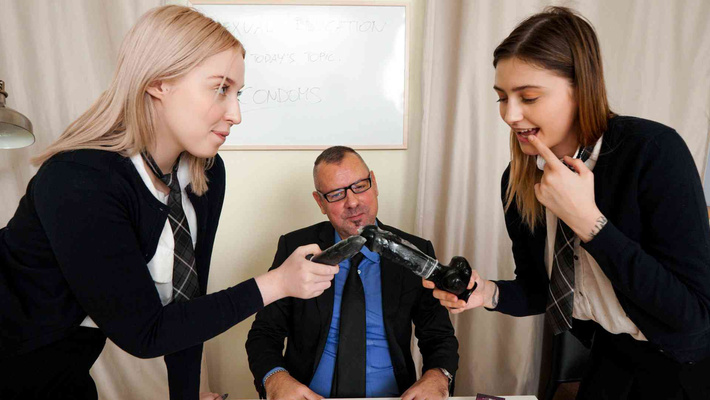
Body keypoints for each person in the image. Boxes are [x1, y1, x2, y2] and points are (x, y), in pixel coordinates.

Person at [0, 6, 338, 400]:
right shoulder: (79, 180)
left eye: (238, 93)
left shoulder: (205, 174)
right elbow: (145, 332)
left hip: (65, 367)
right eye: (220, 88)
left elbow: (187, 303)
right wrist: (277, 283)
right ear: (159, 82)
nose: (236, 114)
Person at [424, 6, 710, 400]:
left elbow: (693, 319)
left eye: (528, 97)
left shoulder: (654, 152)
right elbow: (544, 289)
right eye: (502, 98)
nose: (510, 115)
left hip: (684, 368)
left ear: (581, 88)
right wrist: (486, 293)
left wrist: (590, 223)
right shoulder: (519, 180)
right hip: (612, 357)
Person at [246, 146, 458, 400]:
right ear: (320, 202)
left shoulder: (415, 252)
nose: (353, 202)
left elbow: (439, 336)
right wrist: (276, 380)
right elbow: (264, 333)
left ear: (374, 184)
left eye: (360, 186)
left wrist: (438, 377)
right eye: (336, 194)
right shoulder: (296, 249)